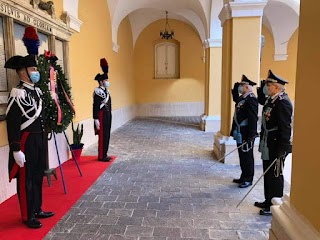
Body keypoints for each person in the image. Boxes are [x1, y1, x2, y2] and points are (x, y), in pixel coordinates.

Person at [4, 55, 54, 229]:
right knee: (27, 179)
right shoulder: (18, 93)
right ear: (22, 72)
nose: (36, 72)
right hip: (26, 142)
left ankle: (37, 208)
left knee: (38, 176)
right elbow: (13, 123)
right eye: (32, 69)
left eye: (35, 69)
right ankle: (27, 215)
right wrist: (16, 149)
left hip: (39, 139)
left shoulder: (37, 91)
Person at [255, 70, 293, 216]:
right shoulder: (272, 100)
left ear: (277, 87)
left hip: (276, 144)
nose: (266, 87)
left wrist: (281, 149)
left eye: (268, 84)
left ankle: (274, 205)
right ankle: (268, 200)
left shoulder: (283, 103)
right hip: (268, 143)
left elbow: (285, 128)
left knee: (275, 175)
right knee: (267, 173)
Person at [230, 75, 259, 188]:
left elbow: (253, 118)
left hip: (246, 132)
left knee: (247, 156)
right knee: (242, 155)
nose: (240, 88)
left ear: (247, 87)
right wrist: (235, 87)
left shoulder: (251, 99)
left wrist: (251, 135)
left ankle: (248, 178)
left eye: (242, 86)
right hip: (240, 131)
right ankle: (243, 176)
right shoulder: (243, 97)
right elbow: (235, 99)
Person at [93, 58, 112, 162]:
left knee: (107, 135)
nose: (107, 82)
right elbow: (95, 105)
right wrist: (96, 118)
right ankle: (101, 155)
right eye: (105, 80)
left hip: (107, 115)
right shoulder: (97, 92)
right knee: (103, 136)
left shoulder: (106, 92)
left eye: (107, 80)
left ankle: (105, 153)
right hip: (101, 115)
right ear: (100, 82)